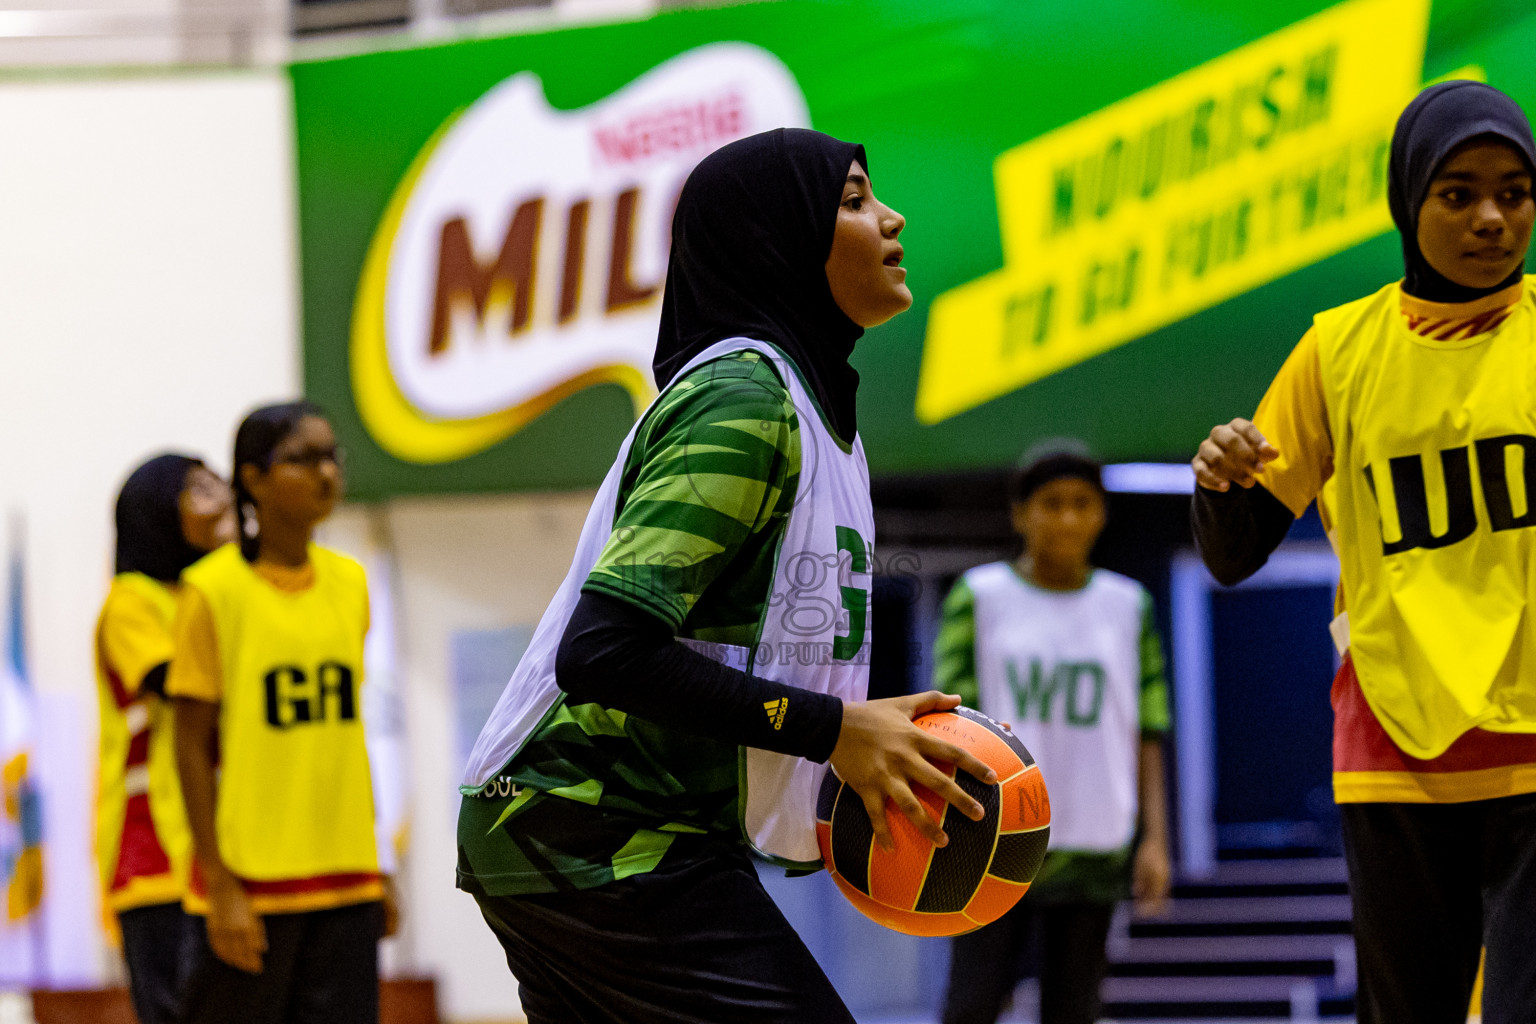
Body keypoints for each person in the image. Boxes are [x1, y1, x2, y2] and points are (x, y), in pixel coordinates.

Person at [456, 128, 998, 1024]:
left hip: (607, 831)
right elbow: (603, 651)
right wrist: (832, 729)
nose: (891, 217)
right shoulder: (745, 402)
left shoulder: (818, 418)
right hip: (586, 829)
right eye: (855, 200)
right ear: (777, 239)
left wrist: (856, 730)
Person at [1190, 81, 1536, 1024]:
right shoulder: (1337, 351)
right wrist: (1219, 483)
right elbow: (1234, 553)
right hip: (1394, 741)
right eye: (1458, 192)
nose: (1493, 218)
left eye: (1515, 190)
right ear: (1407, 198)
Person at [168, 402, 396, 1024]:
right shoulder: (211, 591)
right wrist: (217, 881)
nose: (326, 473)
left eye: (332, 457)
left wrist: (380, 863)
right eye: (303, 458)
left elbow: (351, 735)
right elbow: (189, 744)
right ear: (253, 479)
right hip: (253, 884)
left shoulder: (351, 582)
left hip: (347, 876)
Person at [935, 446, 1172, 1024]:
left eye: (1082, 504)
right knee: (971, 1006)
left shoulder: (1128, 604)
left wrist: (1156, 839)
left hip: (1094, 837)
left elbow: (1149, 726)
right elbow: (949, 724)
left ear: (1101, 514)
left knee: (1075, 1011)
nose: (1067, 518)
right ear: (1021, 513)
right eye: (1051, 504)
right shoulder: (979, 596)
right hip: (995, 840)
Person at [96, 454, 234, 1024]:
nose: (223, 498)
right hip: (151, 852)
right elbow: (180, 683)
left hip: (211, 846)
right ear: (157, 510)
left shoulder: (205, 594)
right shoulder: (130, 601)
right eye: (199, 489)